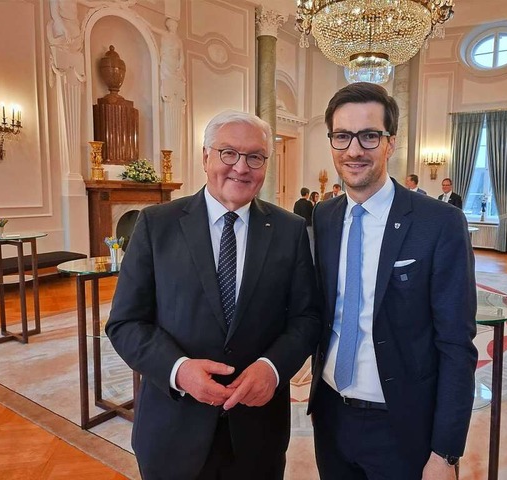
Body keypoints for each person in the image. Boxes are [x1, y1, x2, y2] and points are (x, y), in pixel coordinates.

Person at [106, 110, 321, 479]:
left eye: (255, 157)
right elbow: (125, 323)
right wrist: (179, 370)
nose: (241, 167)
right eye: (228, 153)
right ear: (205, 157)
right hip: (173, 428)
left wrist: (272, 369)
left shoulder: (290, 229)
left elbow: (306, 318)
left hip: (257, 431)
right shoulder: (157, 225)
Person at [308, 82, 477, 480]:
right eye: (342, 136)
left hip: (401, 424)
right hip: (331, 416)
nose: (354, 150)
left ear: (391, 142)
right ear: (331, 141)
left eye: (369, 136)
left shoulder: (439, 223)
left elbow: (456, 345)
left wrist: (445, 453)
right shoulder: (323, 218)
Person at [294, 187, 315, 259]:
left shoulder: (296, 203)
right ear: (307, 194)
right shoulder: (308, 203)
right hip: (308, 224)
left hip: (298, 226)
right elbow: (312, 214)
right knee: (310, 242)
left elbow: (295, 214)